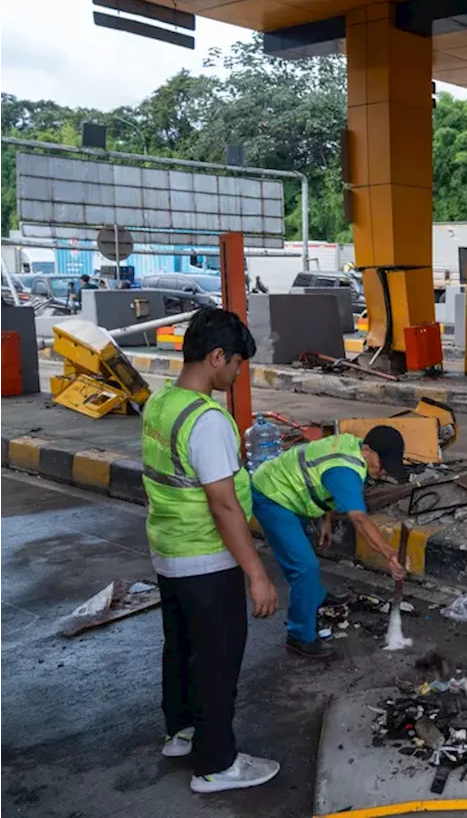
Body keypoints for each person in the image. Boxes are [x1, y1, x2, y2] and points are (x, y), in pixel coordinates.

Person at [140, 307, 281, 794]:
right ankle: (216, 764)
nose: (238, 373)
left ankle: (180, 732)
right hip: (205, 557)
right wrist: (256, 574)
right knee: (218, 660)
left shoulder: (162, 403)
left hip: (169, 551)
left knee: (180, 648)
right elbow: (223, 505)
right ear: (217, 357)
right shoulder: (208, 421)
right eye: (238, 363)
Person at [250, 426, 410, 659]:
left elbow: (322, 477)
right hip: (272, 495)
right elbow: (359, 519)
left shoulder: (354, 448)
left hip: (292, 491)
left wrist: (326, 516)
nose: (383, 470)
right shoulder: (345, 469)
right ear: (366, 450)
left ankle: (316, 597)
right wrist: (389, 554)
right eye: (382, 462)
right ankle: (299, 636)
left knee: (305, 555)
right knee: (304, 567)